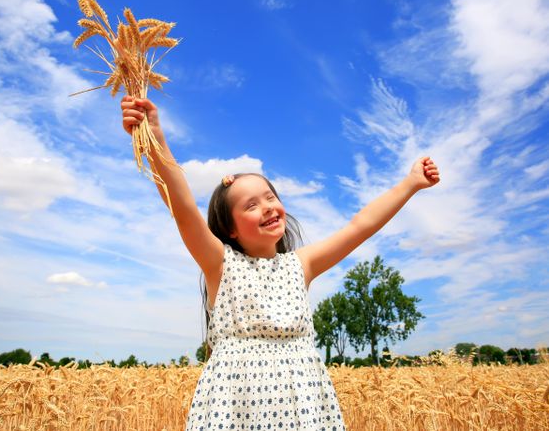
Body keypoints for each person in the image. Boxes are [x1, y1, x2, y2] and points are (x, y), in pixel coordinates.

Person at [121, 95, 440, 430]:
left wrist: (411, 183)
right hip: (236, 407)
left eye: (271, 197)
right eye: (252, 205)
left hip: (305, 406)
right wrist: (156, 140)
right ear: (230, 228)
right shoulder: (219, 264)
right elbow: (183, 209)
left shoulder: (300, 265)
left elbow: (360, 225)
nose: (268, 207)